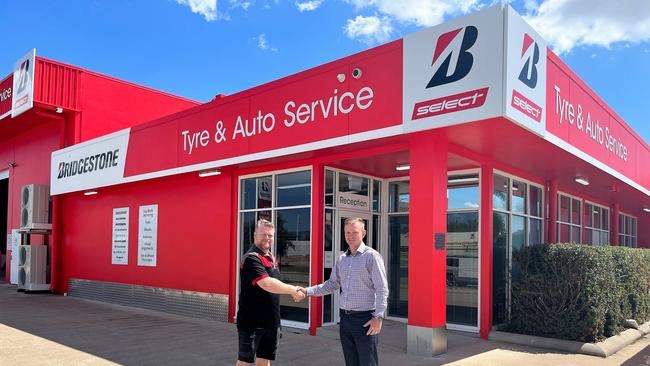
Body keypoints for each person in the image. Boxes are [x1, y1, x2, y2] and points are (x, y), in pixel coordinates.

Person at [299, 217, 388, 366]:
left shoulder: (371, 256)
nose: (351, 236)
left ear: (363, 233)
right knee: (351, 362)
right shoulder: (342, 259)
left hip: (365, 320)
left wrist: (378, 317)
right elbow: (332, 284)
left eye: (355, 232)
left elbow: (382, 288)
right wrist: (307, 291)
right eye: (347, 232)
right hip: (345, 319)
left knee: (368, 362)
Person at [236, 219, 305, 366]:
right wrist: (293, 290)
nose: (267, 238)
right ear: (255, 235)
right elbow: (266, 283)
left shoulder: (271, 257)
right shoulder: (251, 258)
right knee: (244, 362)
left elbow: (275, 284)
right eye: (263, 234)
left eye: (270, 235)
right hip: (251, 322)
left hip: (271, 321)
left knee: (264, 359)